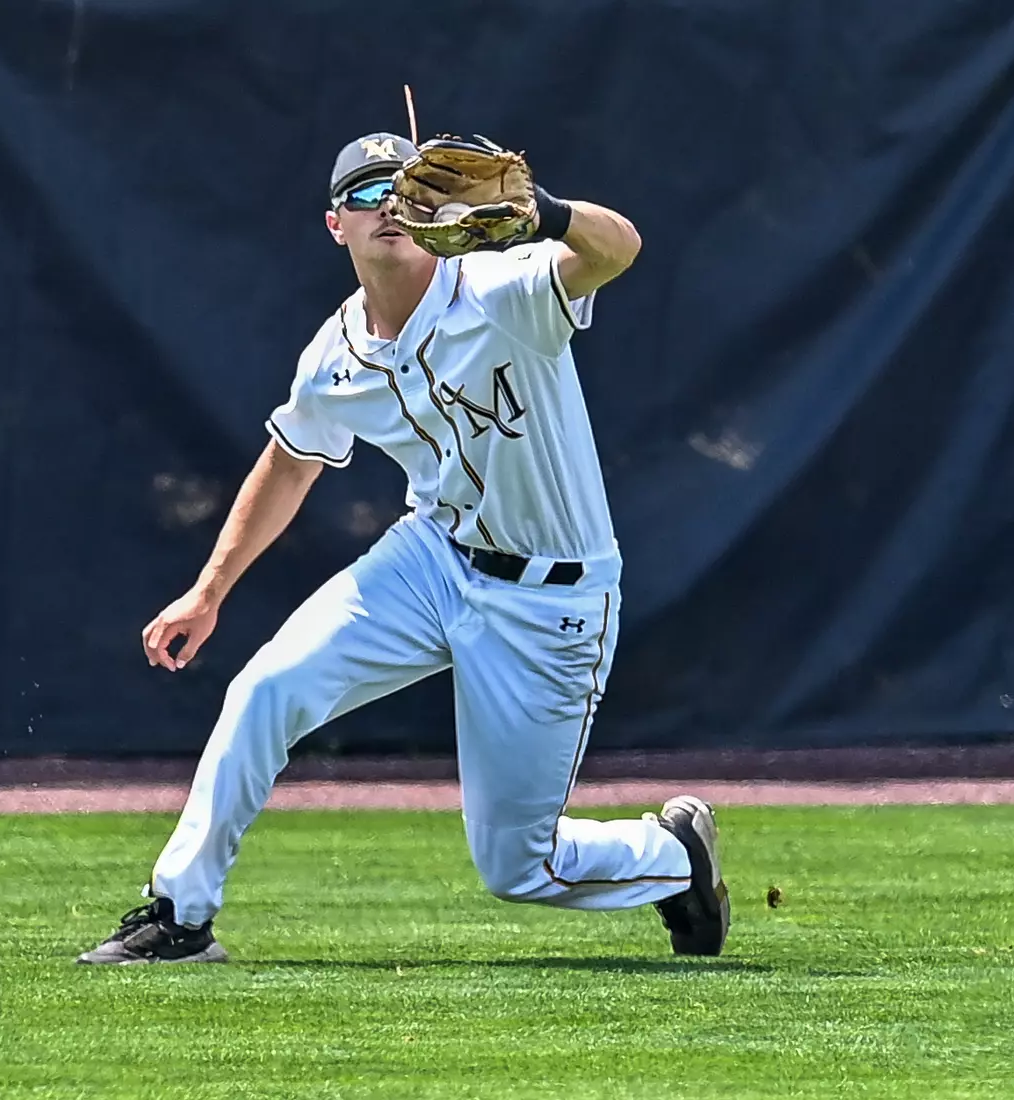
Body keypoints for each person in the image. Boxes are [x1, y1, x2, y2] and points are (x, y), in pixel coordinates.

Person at [77, 131, 729, 965]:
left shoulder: (502, 289)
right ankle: (179, 915)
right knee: (265, 687)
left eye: (404, 188)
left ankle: (676, 856)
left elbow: (620, 248)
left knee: (519, 867)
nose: (386, 203)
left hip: (552, 594)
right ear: (332, 226)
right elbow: (288, 459)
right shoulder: (337, 355)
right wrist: (208, 592)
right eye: (363, 193)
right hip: (431, 559)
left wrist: (549, 214)